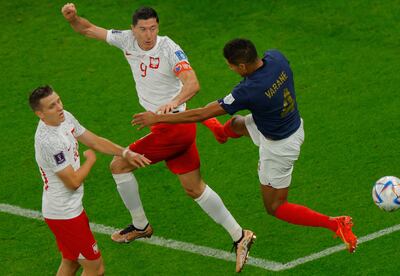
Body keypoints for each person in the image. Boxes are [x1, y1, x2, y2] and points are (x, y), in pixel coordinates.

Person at [61, 4, 254, 272]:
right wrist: (72, 18)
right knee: (194, 188)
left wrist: (170, 105)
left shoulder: (168, 49)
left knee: (119, 165)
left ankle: (140, 225)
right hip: (174, 129)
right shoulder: (126, 40)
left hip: (172, 127)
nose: (148, 34)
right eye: (143, 29)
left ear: (158, 27)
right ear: (133, 29)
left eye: (153, 28)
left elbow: (192, 83)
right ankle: (239, 234)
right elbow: (88, 29)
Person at [132, 38, 358, 253]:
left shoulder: (249, 91)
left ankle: (334, 224)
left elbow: (202, 112)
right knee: (238, 123)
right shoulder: (276, 58)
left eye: (231, 67)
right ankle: (221, 133)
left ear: (241, 66)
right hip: (284, 120)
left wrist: (158, 118)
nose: (231, 70)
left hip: (280, 146)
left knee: (275, 206)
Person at [30, 85, 151, 276]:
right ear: (40, 114)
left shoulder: (65, 117)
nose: (59, 107)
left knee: (71, 262)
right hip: (64, 213)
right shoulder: (48, 141)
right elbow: (73, 182)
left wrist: (125, 152)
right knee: (96, 269)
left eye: (59, 101)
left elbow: (93, 140)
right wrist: (91, 161)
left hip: (68, 209)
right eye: (52, 106)